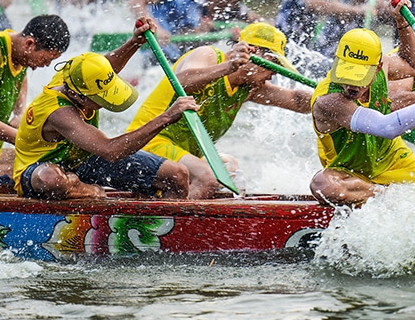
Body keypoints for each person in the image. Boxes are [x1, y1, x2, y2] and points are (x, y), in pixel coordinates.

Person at [309, 0, 415, 206]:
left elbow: (414, 66)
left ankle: (390, 192)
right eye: (347, 75)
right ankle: (386, 196)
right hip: (349, 171)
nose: (351, 86)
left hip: (389, 157)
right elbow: (387, 127)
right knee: (323, 186)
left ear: (378, 66)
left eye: (359, 78)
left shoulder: (384, 65)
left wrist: (402, 22)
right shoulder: (329, 101)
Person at [12, 18, 200, 200]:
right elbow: (111, 150)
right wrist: (166, 117)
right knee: (52, 180)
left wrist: (135, 42)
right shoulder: (59, 113)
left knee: (177, 175)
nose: (104, 102)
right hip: (37, 168)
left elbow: (106, 66)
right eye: (99, 98)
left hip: (82, 159)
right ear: (78, 96)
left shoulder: (76, 72)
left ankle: (156, 226)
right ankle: (87, 190)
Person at [126, 22, 312, 197]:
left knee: (231, 169)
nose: (273, 75)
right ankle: (170, 226)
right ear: (253, 53)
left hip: (178, 156)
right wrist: (229, 67)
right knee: (208, 178)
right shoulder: (208, 56)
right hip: (147, 143)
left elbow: (295, 100)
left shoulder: (248, 88)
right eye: (275, 65)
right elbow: (183, 81)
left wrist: (330, 96)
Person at [0, 15, 70, 186]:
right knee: (36, 176)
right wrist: (21, 138)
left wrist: (21, 114)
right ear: (29, 43)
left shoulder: (19, 54)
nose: (46, 65)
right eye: (46, 59)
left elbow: (20, 91)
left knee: (55, 165)